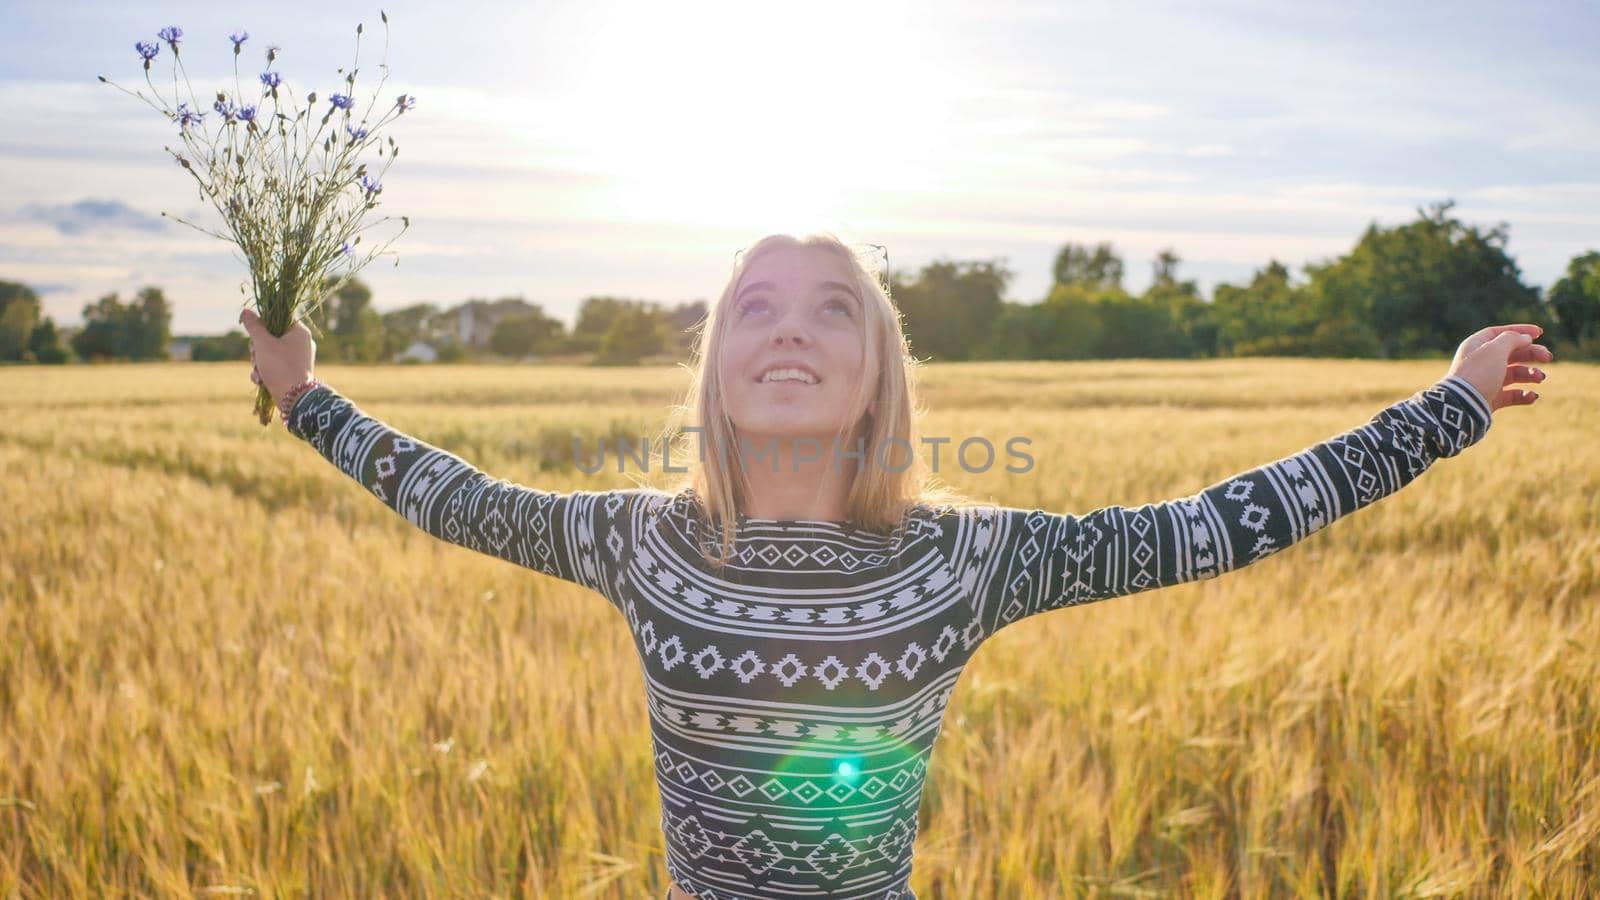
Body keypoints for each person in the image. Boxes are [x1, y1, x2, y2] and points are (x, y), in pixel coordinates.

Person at [241, 232, 1550, 900]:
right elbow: (456, 499)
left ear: (878, 372)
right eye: (754, 305)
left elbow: (1211, 523)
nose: (790, 329)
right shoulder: (641, 539)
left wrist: (1451, 405)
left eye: (831, 310)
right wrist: (307, 402)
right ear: (716, 367)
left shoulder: (962, 557)